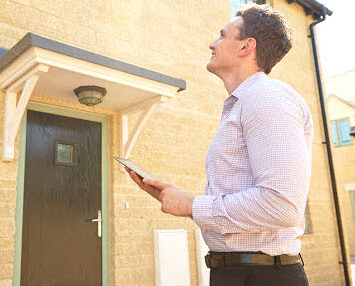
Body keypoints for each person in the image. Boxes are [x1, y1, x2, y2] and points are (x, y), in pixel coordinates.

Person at [125, 3, 312, 286]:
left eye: (222, 35)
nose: (212, 43)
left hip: (263, 276)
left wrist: (191, 205)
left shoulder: (267, 98)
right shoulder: (244, 104)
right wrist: (175, 198)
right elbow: (241, 212)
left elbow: (281, 205)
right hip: (236, 271)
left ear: (246, 47)